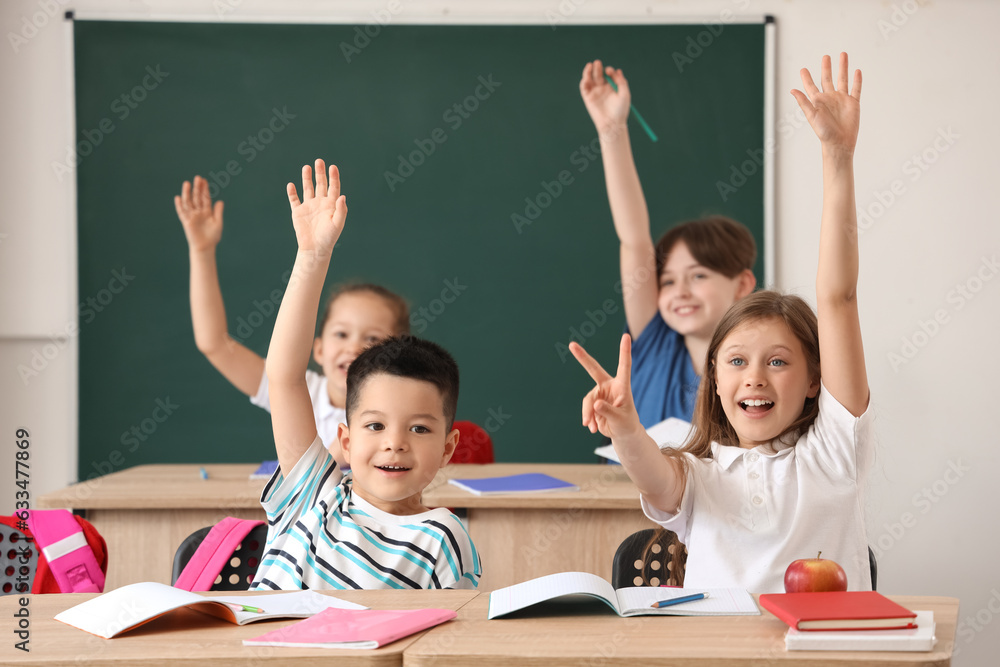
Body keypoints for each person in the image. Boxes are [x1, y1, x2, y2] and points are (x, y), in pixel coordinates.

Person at [571, 53, 871, 593]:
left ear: (813, 381)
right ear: (713, 378)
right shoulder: (699, 475)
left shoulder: (833, 451)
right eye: (736, 362)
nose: (754, 377)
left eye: (778, 362)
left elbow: (839, 298)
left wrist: (837, 158)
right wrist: (625, 430)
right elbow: (654, 476)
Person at [250, 159, 480, 590]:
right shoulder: (313, 495)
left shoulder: (445, 539)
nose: (395, 442)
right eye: (375, 425)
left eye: (419, 428)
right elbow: (284, 376)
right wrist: (312, 257)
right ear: (347, 440)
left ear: (449, 447)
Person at [174, 176, 408, 466]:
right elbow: (214, 345)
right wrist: (202, 252)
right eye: (341, 334)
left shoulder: (404, 408)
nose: (354, 347)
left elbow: (324, 470)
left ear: (399, 355)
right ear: (319, 349)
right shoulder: (299, 389)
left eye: (372, 339)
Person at [579, 60, 757, 426]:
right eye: (669, 280)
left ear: (742, 284)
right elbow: (633, 239)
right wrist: (612, 130)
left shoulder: (759, 370)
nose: (680, 292)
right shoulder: (656, 340)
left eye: (698, 276)